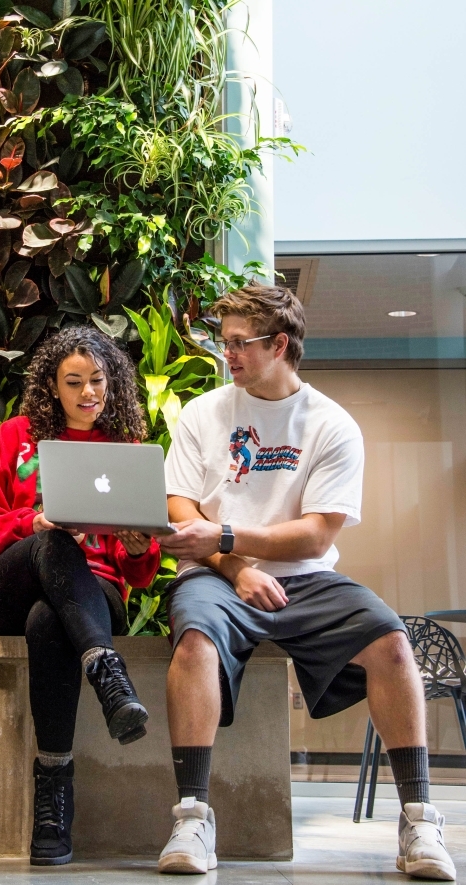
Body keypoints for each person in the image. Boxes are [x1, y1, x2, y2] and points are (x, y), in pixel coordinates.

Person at [155, 283, 456, 880]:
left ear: (280, 344)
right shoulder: (203, 413)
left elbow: (317, 536)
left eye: (240, 343)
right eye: (226, 342)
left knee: (391, 641)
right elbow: (182, 513)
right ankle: (192, 815)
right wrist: (236, 567)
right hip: (217, 576)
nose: (228, 354)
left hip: (308, 579)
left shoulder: (331, 424)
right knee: (194, 639)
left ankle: (419, 818)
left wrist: (230, 539)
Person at [0, 325, 160, 866]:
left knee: (51, 622)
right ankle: (107, 672)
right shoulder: (17, 436)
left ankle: (54, 795)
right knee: (51, 541)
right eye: (74, 382)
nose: (88, 393)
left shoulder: (125, 449)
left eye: (98, 380)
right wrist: (34, 522)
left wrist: (139, 544)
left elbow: (139, 575)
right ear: (52, 385)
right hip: (12, 582)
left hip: (91, 596)